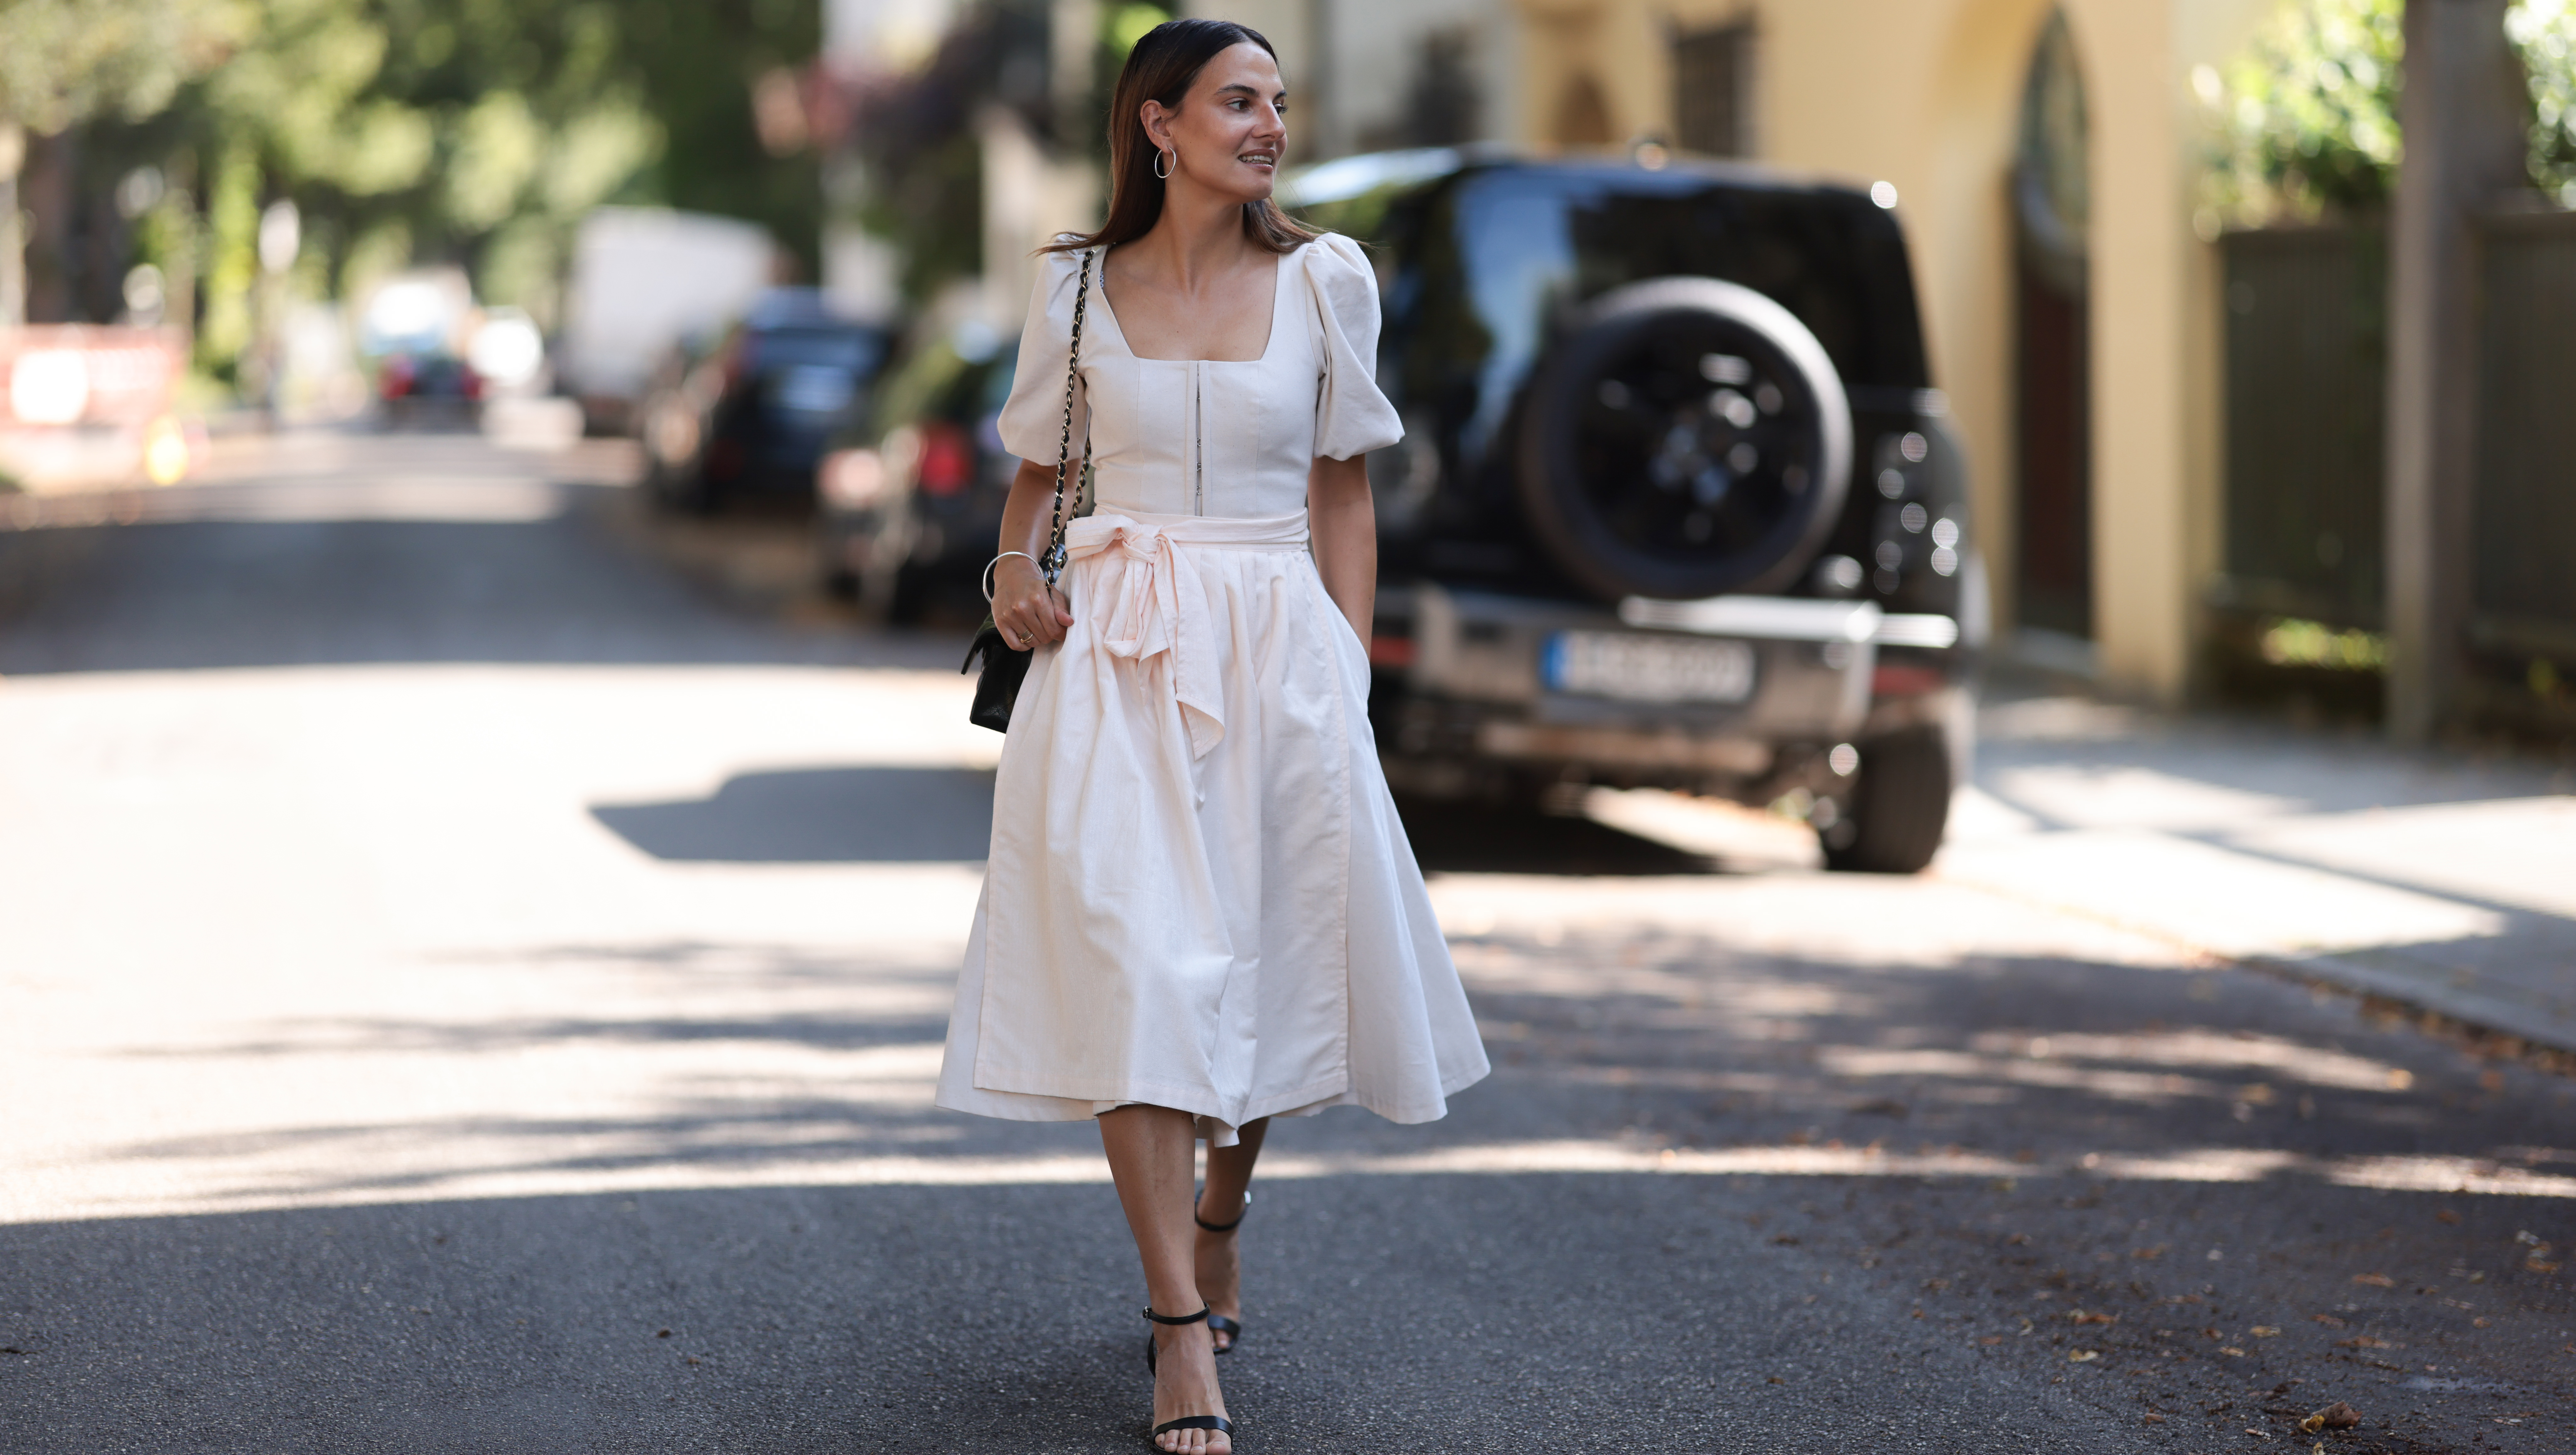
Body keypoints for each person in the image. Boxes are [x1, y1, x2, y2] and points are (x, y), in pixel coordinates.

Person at [933, 17, 1490, 1453]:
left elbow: (1344, 495)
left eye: (1278, 102)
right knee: (1136, 961)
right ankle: (1179, 1328)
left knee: (1256, 962)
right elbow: (1037, 478)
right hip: (1115, 647)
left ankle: (1221, 1212)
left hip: (1275, 649)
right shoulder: (1071, 285)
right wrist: (1011, 578)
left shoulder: (1325, 280)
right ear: (1157, 124)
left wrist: (1346, 679)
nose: (1269, 124)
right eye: (1239, 101)